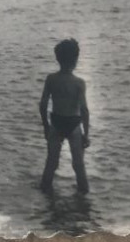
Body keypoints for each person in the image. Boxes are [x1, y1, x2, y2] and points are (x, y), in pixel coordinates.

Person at [39, 38, 91, 194]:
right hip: (74, 124)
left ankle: (45, 190)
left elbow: (42, 105)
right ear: (76, 59)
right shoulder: (79, 83)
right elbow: (84, 110)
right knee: (78, 164)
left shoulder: (51, 79)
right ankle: (84, 195)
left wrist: (46, 126)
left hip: (56, 122)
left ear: (57, 58)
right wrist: (86, 134)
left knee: (51, 163)